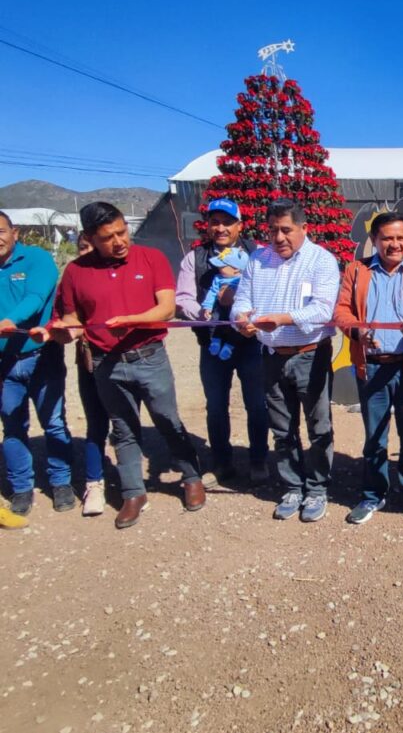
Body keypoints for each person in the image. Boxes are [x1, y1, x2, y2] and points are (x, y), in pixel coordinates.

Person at [48, 201, 206, 529]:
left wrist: (133, 321)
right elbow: (72, 317)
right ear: (90, 237)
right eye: (109, 237)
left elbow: (165, 308)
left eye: (123, 232)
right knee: (122, 428)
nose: (120, 240)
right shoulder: (76, 272)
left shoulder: (151, 258)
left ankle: (192, 477)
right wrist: (66, 330)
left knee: (167, 419)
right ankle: (134, 492)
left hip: (148, 357)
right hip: (107, 364)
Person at [232, 199, 340, 522]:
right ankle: (293, 486)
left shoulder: (321, 260)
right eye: (273, 230)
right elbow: (241, 300)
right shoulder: (257, 260)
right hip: (271, 359)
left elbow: (323, 310)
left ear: (304, 228)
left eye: (286, 230)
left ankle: (318, 489)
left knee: (319, 427)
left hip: (311, 356)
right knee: (282, 428)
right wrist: (241, 319)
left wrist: (282, 318)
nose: (279, 237)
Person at [335, 211, 403, 526]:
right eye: (387, 238)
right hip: (371, 368)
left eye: (400, 238)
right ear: (375, 240)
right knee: (374, 438)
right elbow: (341, 310)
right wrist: (358, 332)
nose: (395, 244)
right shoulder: (357, 271)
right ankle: (372, 494)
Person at [176, 198, 269, 486]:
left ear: (240, 225)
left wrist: (250, 313)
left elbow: (269, 293)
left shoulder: (260, 255)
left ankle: (258, 460)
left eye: (227, 222)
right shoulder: (195, 258)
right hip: (213, 343)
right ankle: (221, 463)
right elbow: (183, 299)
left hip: (251, 343)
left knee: (257, 404)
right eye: (215, 221)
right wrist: (210, 314)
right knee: (216, 405)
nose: (220, 228)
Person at [0, 209, 74, 515]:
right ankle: (21, 488)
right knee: (12, 426)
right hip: (4, 363)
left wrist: (9, 319)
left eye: (0, 231)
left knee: (53, 422)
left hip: (40, 357)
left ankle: (61, 482)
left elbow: (35, 296)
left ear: (13, 232)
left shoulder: (37, 260)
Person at [69, 235, 111, 516]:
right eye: (83, 247)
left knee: (126, 425)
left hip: (122, 358)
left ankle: (130, 483)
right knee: (96, 422)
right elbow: (67, 314)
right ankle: (94, 483)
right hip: (89, 359)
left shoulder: (112, 276)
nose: (87, 253)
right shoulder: (73, 275)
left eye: (92, 248)